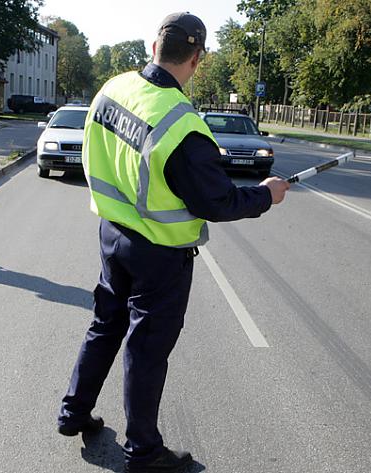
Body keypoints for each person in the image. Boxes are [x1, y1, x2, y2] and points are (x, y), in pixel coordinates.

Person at [56, 12, 290, 473]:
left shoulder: (113, 89)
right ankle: (143, 452)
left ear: (153, 46)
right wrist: (266, 195)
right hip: (159, 253)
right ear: (197, 58)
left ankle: (73, 413)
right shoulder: (182, 125)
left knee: (104, 326)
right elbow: (217, 201)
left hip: (111, 234)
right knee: (145, 350)